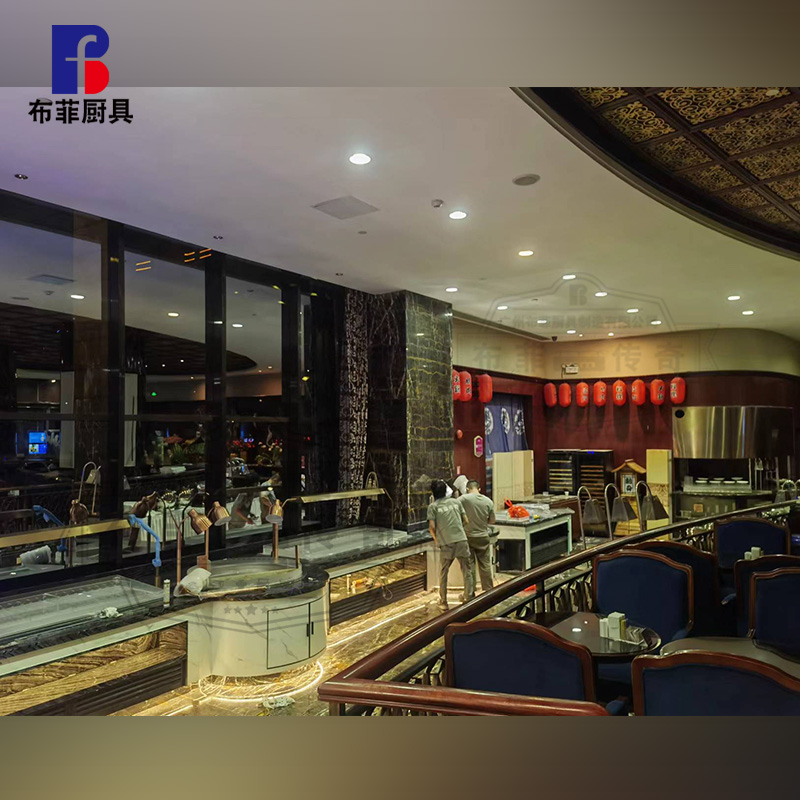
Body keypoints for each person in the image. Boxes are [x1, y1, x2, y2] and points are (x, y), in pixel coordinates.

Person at [426, 479, 473, 611]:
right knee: (467, 570)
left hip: (446, 543)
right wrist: (458, 530)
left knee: (444, 572)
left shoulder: (433, 507)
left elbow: (432, 527)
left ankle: (443, 602)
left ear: (433, 492)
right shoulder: (456, 502)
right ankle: (468, 598)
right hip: (461, 540)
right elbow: (466, 521)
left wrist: (437, 540)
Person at [458, 479, 496, 598]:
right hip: (483, 537)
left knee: (469, 567)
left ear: (467, 489)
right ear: (479, 489)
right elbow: (492, 520)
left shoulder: (462, 499)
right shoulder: (488, 501)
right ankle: (489, 592)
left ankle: (469, 594)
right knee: (485, 564)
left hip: (468, 537)